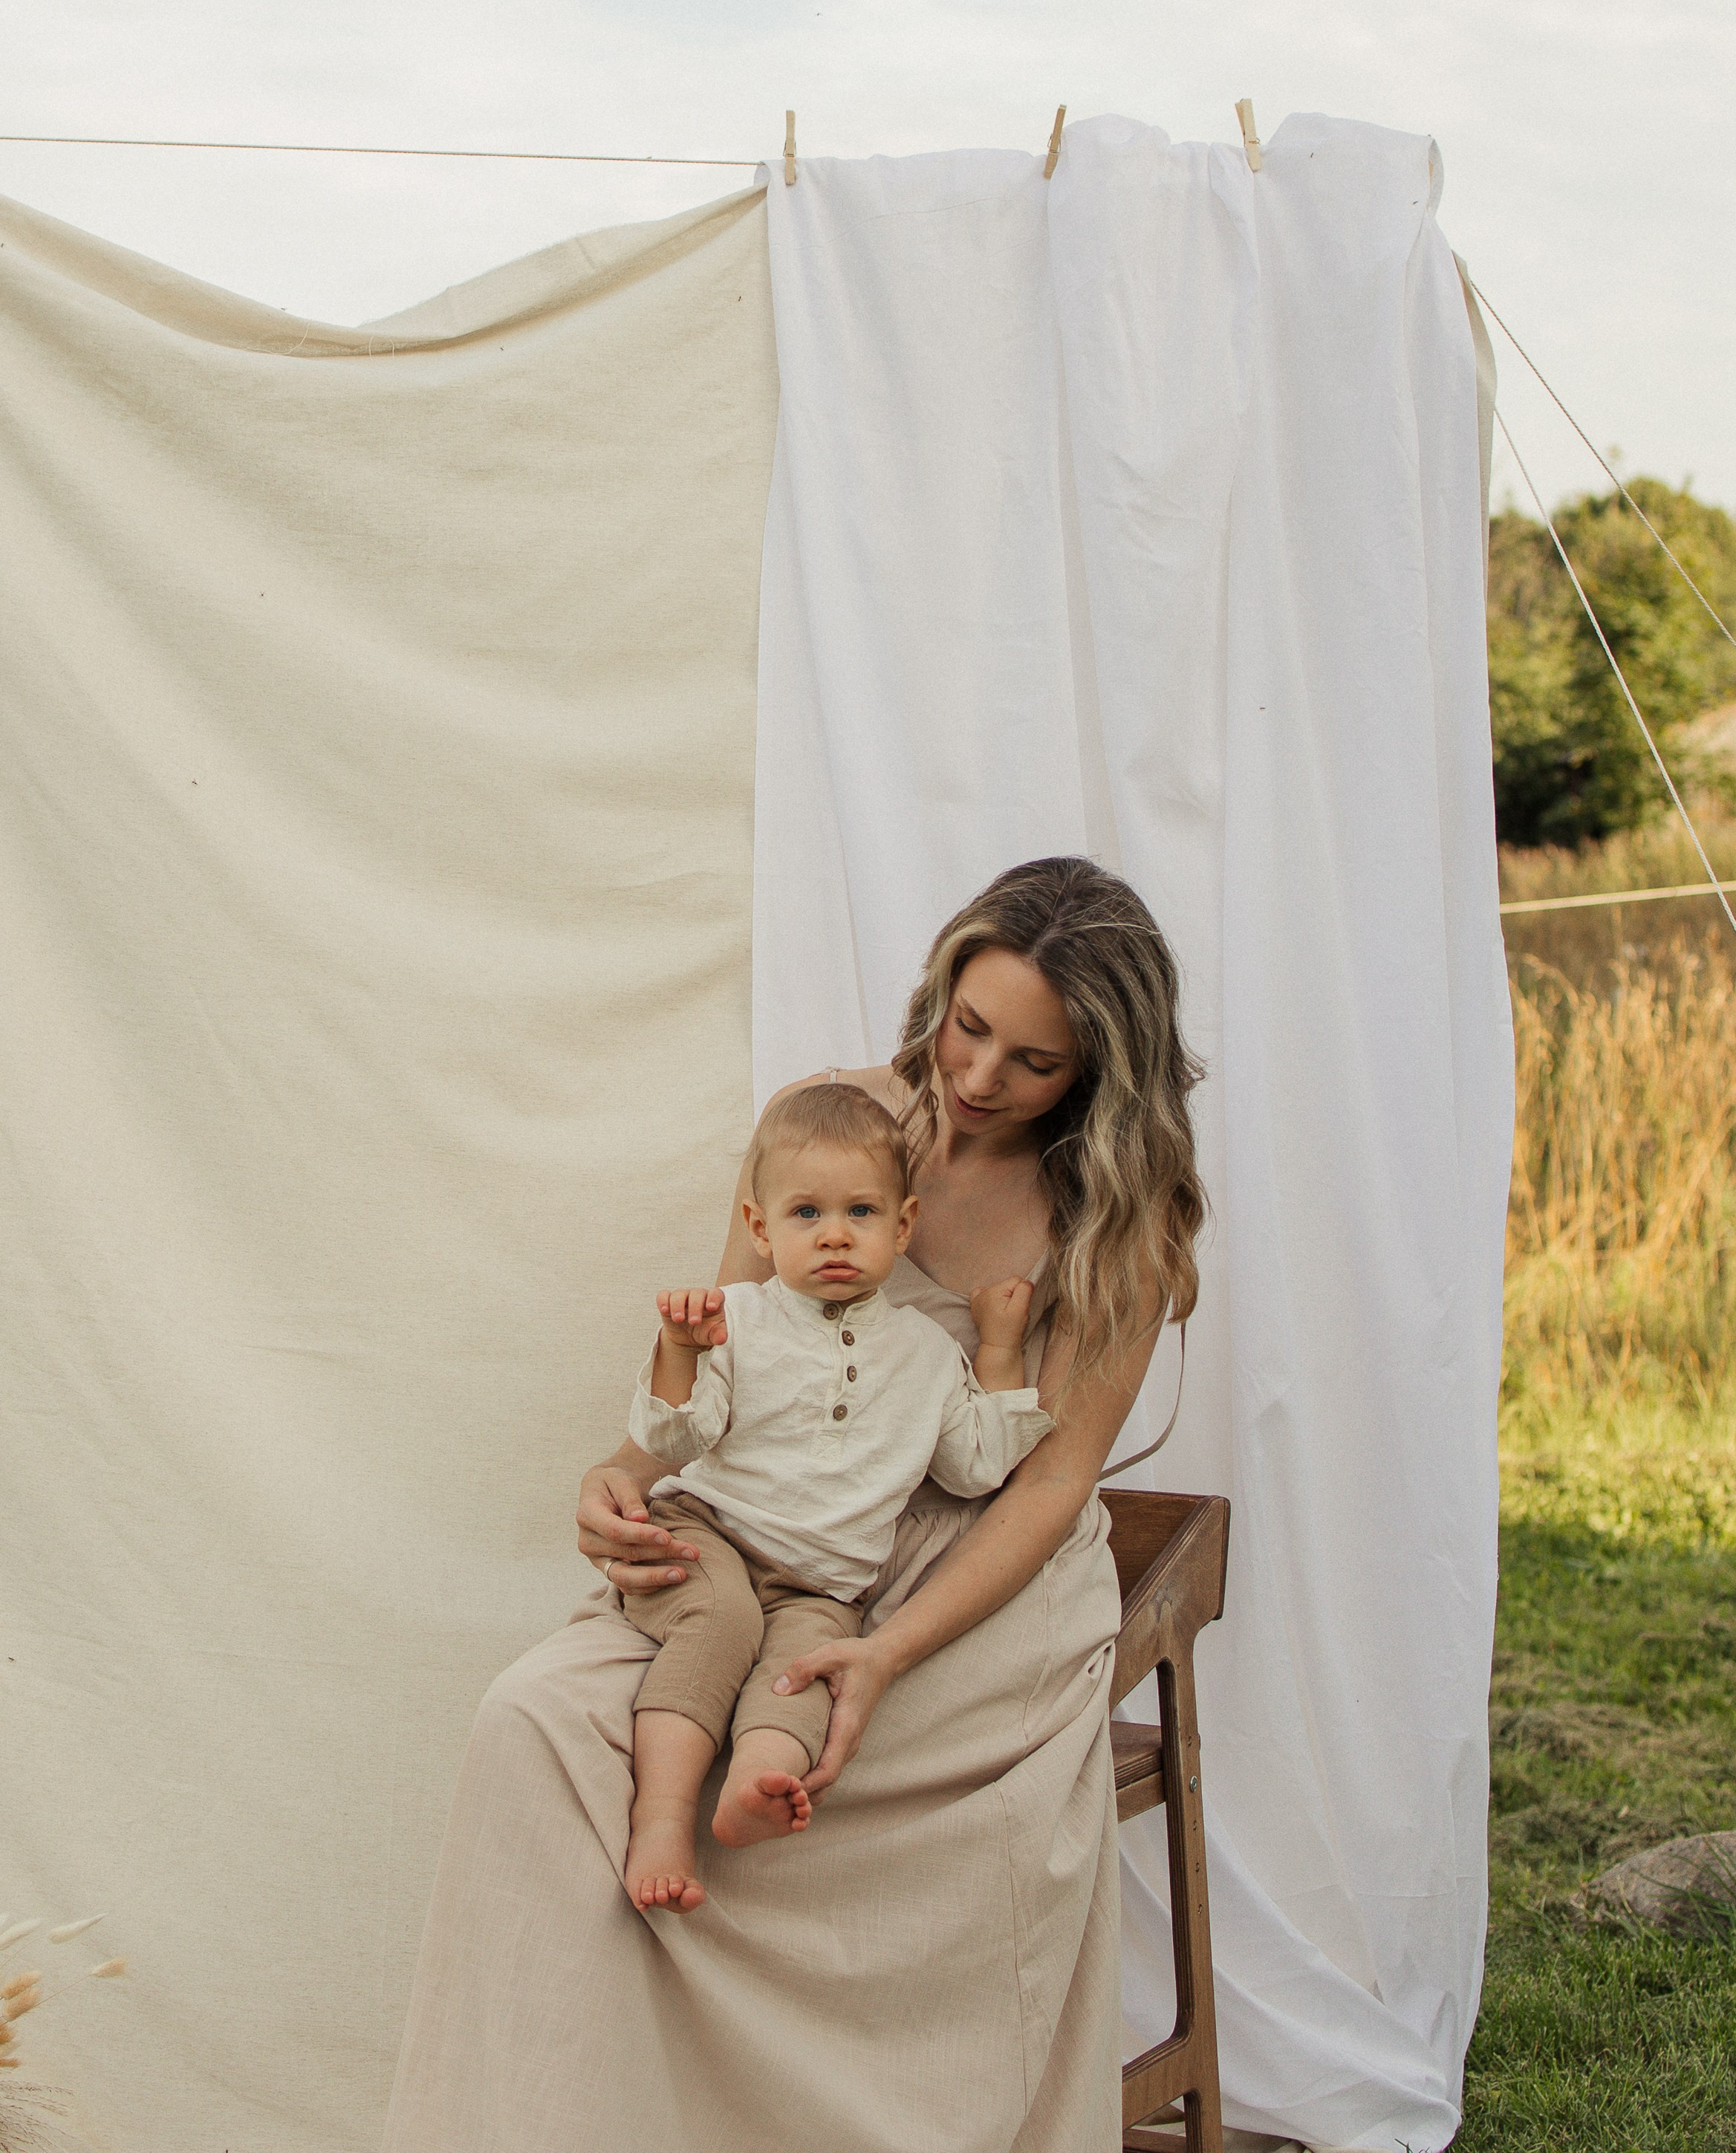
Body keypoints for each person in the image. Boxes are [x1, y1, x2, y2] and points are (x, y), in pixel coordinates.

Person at [383, 855, 1206, 2153]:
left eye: (1033, 1063)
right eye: (969, 1025)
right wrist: (624, 1479)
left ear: (1100, 1075)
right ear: (942, 985)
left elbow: (1049, 1486)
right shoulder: (833, 1121)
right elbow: (730, 1354)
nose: (978, 1076)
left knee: (822, 1782)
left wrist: (884, 1649)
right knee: (536, 1718)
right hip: (764, 1534)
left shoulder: (1117, 1213)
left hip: (971, 1584)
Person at [619, 1082, 1052, 1912]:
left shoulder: (928, 1353)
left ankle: (756, 1786)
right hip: (712, 1531)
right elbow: (678, 1439)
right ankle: (664, 1820)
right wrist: (679, 1351)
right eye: (806, 1215)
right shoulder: (735, 1319)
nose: (836, 1236)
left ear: (903, 1225)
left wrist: (998, 1350)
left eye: (860, 1212)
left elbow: (976, 1468)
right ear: (760, 1228)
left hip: (824, 1580)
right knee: (723, 1624)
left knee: (806, 1672)